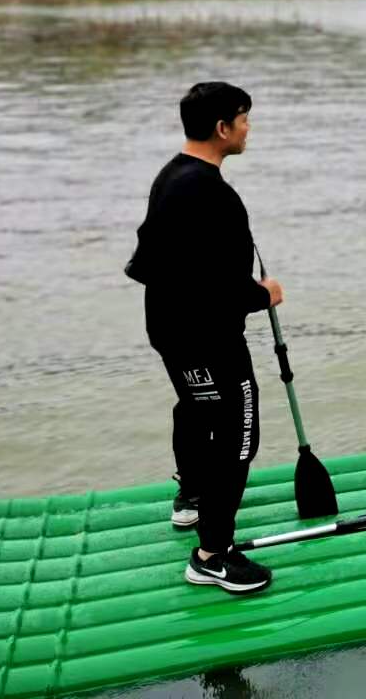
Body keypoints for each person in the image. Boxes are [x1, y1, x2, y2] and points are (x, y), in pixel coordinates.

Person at [126, 81, 284, 594]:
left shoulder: (169, 177)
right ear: (222, 128)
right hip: (209, 339)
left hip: (171, 332)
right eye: (244, 119)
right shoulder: (213, 194)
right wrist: (264, 295)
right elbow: (222, 286)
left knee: (195, 410)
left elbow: (148, 263)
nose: (249, 128)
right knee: (240, 436)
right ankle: (213, 554)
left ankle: (192, 496)